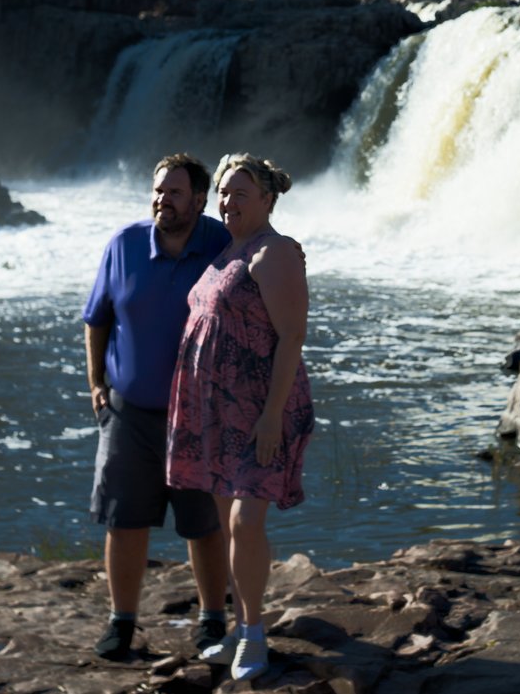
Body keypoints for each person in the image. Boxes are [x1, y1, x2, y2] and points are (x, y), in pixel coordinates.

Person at [167, 154, 314, 682]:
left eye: (240, 193)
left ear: (268, 200)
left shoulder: (275, 253)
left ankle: (254, 632)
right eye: (224, 192)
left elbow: (292, 338)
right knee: (227, 524)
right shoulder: (227, 248)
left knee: (246, 521)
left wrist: (273, 415)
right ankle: (237, 624)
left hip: (260, 410)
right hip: (215, 409)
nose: (227, 201)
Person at [82, 153, 231, 661]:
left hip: (199, 417)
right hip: (130, 413)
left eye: (174, 192)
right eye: (158, 190)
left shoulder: (221, 244)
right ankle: (121, 624)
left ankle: (213, 620)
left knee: (205, 524)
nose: (162, 200)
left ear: (198, 200)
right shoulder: (123, 245)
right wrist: (96, 382)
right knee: (124, 522)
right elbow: (97, 316)